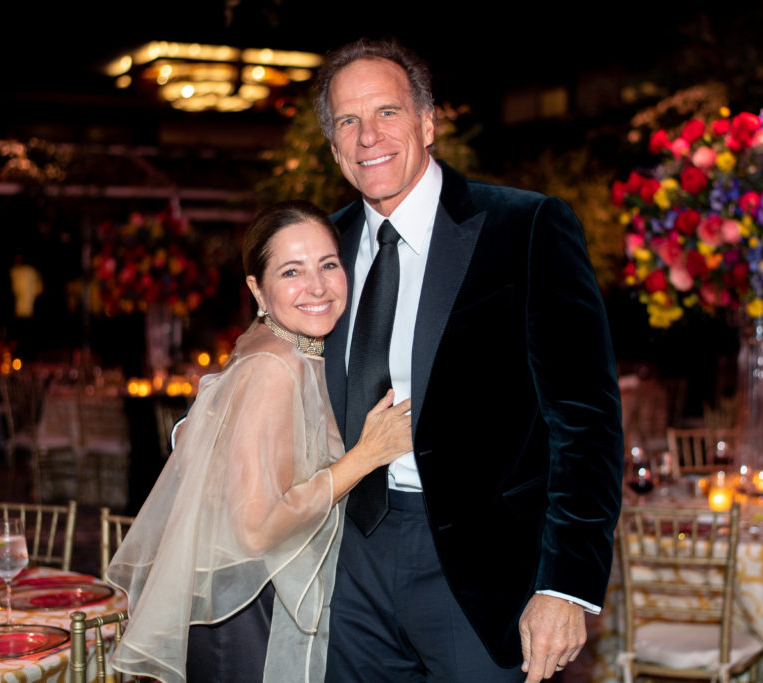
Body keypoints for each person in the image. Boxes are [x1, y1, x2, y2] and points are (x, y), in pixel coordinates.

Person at [313, 38, 623, 682]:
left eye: (387, 113)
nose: (368, 135)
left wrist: (565, 586)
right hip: (346, 563)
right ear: (334, 145)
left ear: (428, 122)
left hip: (483, 575)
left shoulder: (526, 228)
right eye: (348, 121)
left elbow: (587, 423)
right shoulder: (322, 248)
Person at [105, 201, 413, 683]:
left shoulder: (287, 344)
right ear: (257, 288)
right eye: (292, 271)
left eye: (328, 265)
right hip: (250, 611)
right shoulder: (273, 367)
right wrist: (366, 456)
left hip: (257, 595)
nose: (316, 286)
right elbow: (256, 527)